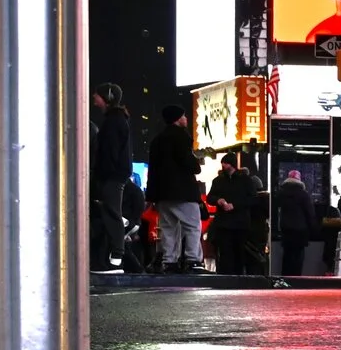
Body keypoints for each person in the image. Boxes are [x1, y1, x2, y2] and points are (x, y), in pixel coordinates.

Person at [145, 103, 206, 272]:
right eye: (184, 116)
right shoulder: (181, 137)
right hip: (183, 192)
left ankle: (169, 261)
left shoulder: (157, 140)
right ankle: (193, 260)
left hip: (163, 194)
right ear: (177, 119)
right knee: (193, 226)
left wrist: (152, 196)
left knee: (168, 228)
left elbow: (153, 170)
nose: (186, 119)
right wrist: (197, 164)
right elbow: (190, 164)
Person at [91, 84, 134, 269]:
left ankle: (116, 258)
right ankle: (116, 251)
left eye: (98, 95)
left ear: (106, 98)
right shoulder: (116, 119)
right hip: (115, 174)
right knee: (111, 212)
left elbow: (110, 152)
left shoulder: (113, 121)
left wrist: (101, 173)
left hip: (112, 175)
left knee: (111, 214)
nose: (94, 97)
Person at [207, 154, 256, 275]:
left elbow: (252, 199)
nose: (223, 165)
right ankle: (227, 276)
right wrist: (218, 200)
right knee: (225, 252)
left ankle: (236, 276)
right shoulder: (218, 180)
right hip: (226, 223)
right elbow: (210, 197)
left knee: (238, 252)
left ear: (232, 164)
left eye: (225, 163)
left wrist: (234, 205)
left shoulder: (245, 180)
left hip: (239, 223)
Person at [273, 169, 322, 276]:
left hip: (286, 229)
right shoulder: (303, 194)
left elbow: (275, 211)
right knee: (298, 256)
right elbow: (310, 213)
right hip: (300, 230)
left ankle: (285, 278)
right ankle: (296, 279)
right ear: (299, 180)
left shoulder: (281, 193)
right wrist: (315, 229)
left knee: (287, 255)